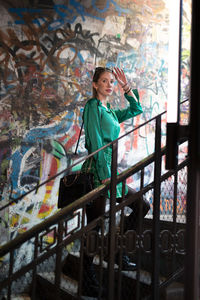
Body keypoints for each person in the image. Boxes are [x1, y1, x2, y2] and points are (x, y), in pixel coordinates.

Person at [80, 66, 150, 297]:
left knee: (141, 205)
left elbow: (136, 108)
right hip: (98, 173)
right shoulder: (93, 107)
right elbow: (96, 143)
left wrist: (126, 87)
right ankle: (86, 277)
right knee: (95, 226)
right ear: (95, 84)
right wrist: (102, 175)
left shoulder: (109, 109)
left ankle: (118, 251)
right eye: (104, 81)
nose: (110, 85)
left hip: (111, 171)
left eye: (112, 81)